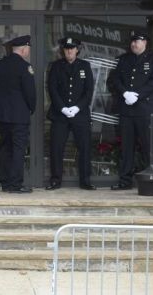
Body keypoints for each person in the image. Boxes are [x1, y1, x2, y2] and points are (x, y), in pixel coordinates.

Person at [110, 32, 153, 190]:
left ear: (145, 42)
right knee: (127, 148)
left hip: (145, 111)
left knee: (149, 148)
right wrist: (124, 92)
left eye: (137, 41)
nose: (134, 44)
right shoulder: (124, 59)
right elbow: (116, 79)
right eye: (132, 41)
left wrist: (138, 95)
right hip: (127, 111)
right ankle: (125, 181)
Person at [45, 37, 95, 191]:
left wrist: (77, 107)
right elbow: (52, 89)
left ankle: (85, 180)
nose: (69, 51)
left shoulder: (85, 66)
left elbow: (89, 91)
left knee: (84, 148)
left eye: (72, 48)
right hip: (60, 115)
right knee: (57, 148)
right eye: (66, 48)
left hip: (80, 114)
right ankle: (55, 180)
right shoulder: (56, 66)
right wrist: (63, 108)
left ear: (77, 50)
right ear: (63, 50)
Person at [0, 35, 36, 193]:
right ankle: (15, 184)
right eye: (28, 49)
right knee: (18, 149)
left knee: (6, 148)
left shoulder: (0, 65)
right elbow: (30, 92)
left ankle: (5, 182)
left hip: (3, 114)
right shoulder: (25, 67)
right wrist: (32, 107)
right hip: (19, 115)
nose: (28, 52)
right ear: (24, 49)